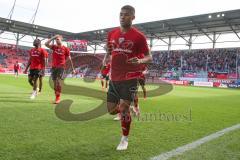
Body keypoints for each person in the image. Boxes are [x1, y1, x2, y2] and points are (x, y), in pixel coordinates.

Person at [102, 5, 152, 150]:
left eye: (126, 14)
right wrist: (106, 58)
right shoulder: (112, 33)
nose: (122, 16)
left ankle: (124, 138)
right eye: (121, 14)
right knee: (111, 110)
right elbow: (109, 51)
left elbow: (149, 57)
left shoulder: (139, 36)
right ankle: (127, 109)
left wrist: (141, 61)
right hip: (114, 78)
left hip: (130, 78)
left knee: (123, 109)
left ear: (133, 17)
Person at [45, 35, 75, 104]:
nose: (56, 40)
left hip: (61, 67)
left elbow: (69, 59)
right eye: (56, 39)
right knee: (55, 83)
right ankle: (56, 96)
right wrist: (53, 37)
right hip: (54, 67)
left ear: (61, 40)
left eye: (58, 39)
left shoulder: (66, 49)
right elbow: (46, 44)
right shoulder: (54, 47)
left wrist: (73, 69)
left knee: (58, 81)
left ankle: (58, 98)